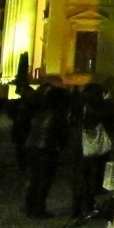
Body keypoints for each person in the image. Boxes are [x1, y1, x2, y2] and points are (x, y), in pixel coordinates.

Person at [23, 86, 70, 218]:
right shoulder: (58, 115)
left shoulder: (40, 112)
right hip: (47, 149)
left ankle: (29, 205)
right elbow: (62, 135)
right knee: (44, 180)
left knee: (33, 178)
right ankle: (38, 208)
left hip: (31, 146)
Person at [72, 100, 112, 217]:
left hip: (79, 147)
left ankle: (76, 208)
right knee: (90, 177)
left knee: (79, 178)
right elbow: (109, 120)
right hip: (92, 151)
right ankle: (87, 206)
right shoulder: (96, 108)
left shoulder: (78, 106)